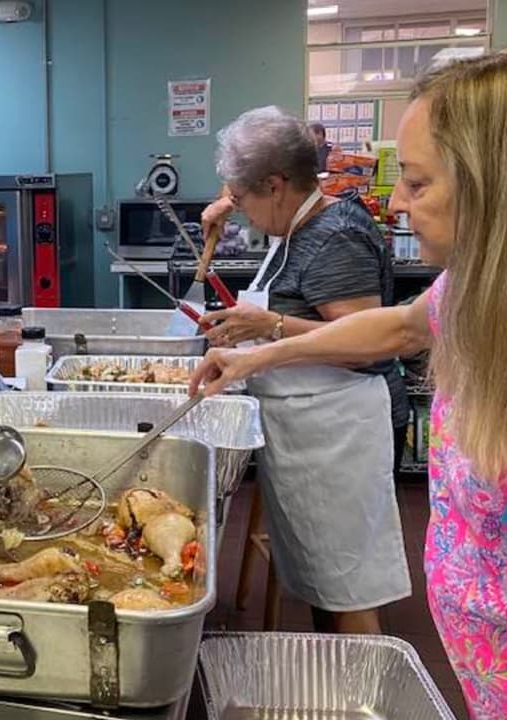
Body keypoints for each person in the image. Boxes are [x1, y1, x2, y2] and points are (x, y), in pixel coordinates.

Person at [190, 47, 507, 719]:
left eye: (417, 182)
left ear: (503, 187)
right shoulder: (477, 290)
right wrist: (249, 360)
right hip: (505, 691)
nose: (399, 203)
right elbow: (397, 328)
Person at [198, 106, 410, 635]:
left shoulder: (334, 235)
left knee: (346, 585)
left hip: (341, 431)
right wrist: (218, 217)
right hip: (306, 427)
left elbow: (362, 343)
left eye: (244, 199)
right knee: (320, 576)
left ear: (275, 185)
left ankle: (362, 695)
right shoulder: (293, 220)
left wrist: (267, 325)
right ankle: (336, 675)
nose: (241, 212)